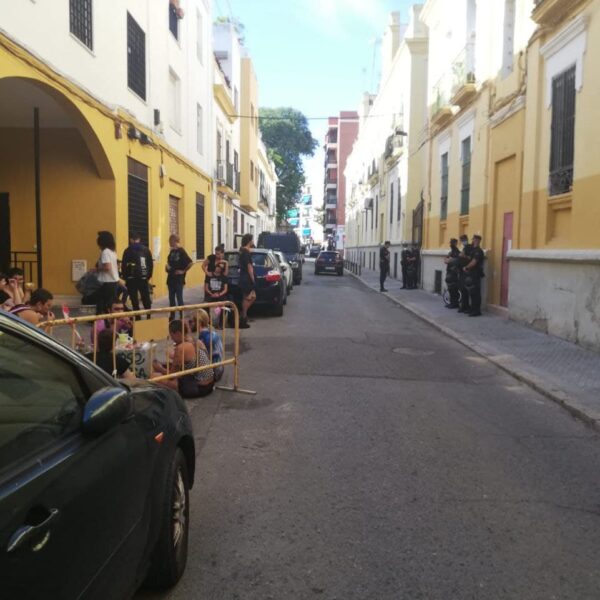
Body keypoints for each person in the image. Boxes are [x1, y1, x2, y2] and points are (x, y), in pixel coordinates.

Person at [153, 319, 214, 398]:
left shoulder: (181, 348)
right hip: (210, 384)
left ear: (178, 333)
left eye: (172, 336)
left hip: (198, 387)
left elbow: (172, 376)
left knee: (154, 376)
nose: (172, 340)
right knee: (167, 366)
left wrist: (159, 368)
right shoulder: (197, 341)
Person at [121, 233, 154, 317]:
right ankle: (148, 316)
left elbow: (124, 265)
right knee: (145, 297)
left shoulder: (127, 250)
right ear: (139, 239)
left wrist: (125, 277)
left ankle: (137, 317)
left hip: (131, 278)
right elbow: (150, 264)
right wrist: (148, 276)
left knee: (134, 299)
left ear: (131, 240)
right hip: (143, 277)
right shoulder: (146, 250)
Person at [166, 234, 193, 319]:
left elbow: (190, 263)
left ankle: (181, 316)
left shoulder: (181, 251)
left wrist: (183, 271)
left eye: (170, 241)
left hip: (178, 279)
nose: (169, 243)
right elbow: (169, 263)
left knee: (179, 298)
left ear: (174, 241)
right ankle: (172, 315)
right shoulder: (171, 251)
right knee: (171, 298)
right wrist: (167, 268)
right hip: (170, 278)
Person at [95, 231, 120, 317]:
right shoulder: (112, 252)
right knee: (109, 303)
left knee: (102, 303)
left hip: (106, 282)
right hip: (113, 282)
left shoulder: (105, 252)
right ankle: (107, 320)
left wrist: (96, 269)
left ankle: (100, 320)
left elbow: (107, 267)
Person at [196, 309, 224, 382]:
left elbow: (199, 357)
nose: (190, 324)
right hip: (219, 369)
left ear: (198, 323)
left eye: (191, 322)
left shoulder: (203, 337)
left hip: (213, 373)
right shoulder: (211, 331)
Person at [463, 234, 485, 317]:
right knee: (472, 292)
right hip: (471, 273)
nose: (472, 241)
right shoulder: (473, 250)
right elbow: (470, 259)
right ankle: (472, 309)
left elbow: (474, 262)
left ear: (477, 240)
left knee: (475, 292)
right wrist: (465, 257)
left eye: (474, 239)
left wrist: (466, 267)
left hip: (476, 273)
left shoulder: (478, 251)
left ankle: (476, 310)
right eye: (473, 239)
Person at [238, 233, 256, 329]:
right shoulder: (246, 253)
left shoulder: (242, 251)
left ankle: (243, 315)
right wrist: (253, 279)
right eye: (252, 240)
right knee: (248, 297)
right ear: (249, 241)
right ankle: (243, 316)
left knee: (250, 297)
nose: (253, 242)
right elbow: (249, 267)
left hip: (243, 277)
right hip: (246, 278)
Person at [458, 234, 473, 314]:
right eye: (462, 240)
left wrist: (464, 256)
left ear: (467, 239)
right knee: (462, 290)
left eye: (464, 239)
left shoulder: (470, 247)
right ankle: (463, 306)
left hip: (467, 270)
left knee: (466, 290)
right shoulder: (464, 248)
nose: (463, 241)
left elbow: (471, 258)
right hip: (462, 271)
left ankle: (467, 307)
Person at [444, 238, 461, 309]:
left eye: (452, 243)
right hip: (449, 271)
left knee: (454, 288)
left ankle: (455, 304)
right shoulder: (451, 252)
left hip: (453, 272)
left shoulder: (456, 252)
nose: (451, 244)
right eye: (450, 243)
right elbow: (445, 260)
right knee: (450, 288)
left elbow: (455, 261)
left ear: (455, 243)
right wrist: (449, 260)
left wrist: (449, 260)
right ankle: (452, 303)